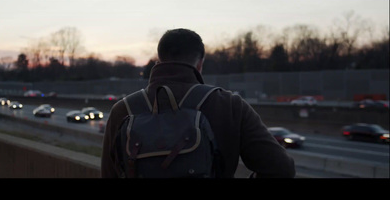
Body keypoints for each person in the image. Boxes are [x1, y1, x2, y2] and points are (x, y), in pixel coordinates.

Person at [101, 28, 295, 178]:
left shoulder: (123, 110)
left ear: (159, 60)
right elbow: (281, 169)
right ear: (200, 63)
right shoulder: (228, 105)